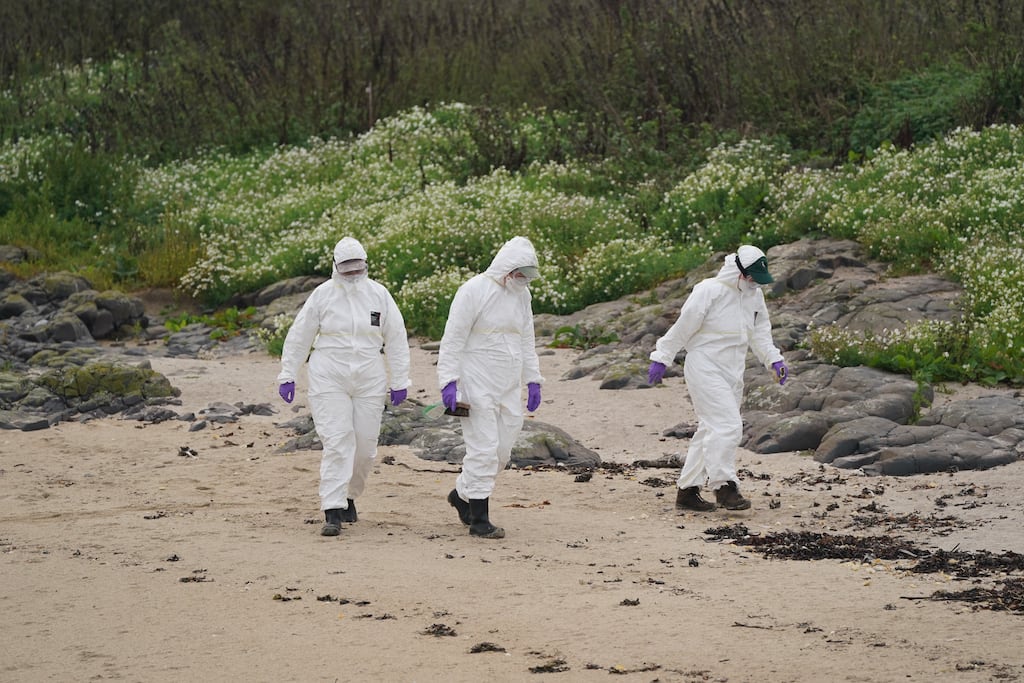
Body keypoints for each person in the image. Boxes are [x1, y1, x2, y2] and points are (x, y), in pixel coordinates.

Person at [277, 236, 411, 537]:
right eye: (347, 269)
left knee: (365, 448)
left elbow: (397, 338)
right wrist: (288, 373)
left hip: (369, 374)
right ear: (336, 267)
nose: (353, 274)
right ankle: (332, 509)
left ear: (365, 265)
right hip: (329, 374)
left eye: (358, 268)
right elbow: (300, 336)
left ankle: (349, 495)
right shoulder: (322, 296)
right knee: (338, 440)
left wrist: (401, 379)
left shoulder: (379, 295)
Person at [647, 245, 788, 512]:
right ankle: (725, 487)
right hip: (704, 365)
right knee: (727, 425)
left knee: (711, 428)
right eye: (751, 277)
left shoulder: (754, 296)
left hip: (733, 370)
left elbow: (760, 332)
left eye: (759, 279)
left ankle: (687, 492)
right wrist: (662, 356)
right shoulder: (708, 290)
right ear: (739, 270)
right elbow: (684, 325)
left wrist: (773, 359)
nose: (754, 283)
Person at [438, 236, 544, 539]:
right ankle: (480, 520)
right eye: (519, 272)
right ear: (506, 268)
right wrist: (449, 381)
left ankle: (461, 495)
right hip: (476, 380)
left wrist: (533, 379)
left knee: (501, 451)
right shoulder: (473, 290)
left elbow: (526, 339)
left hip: (508, 384)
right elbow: (453, 338)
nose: (522, 279)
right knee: (483, 448)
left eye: (527, 274)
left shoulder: (522, 295)